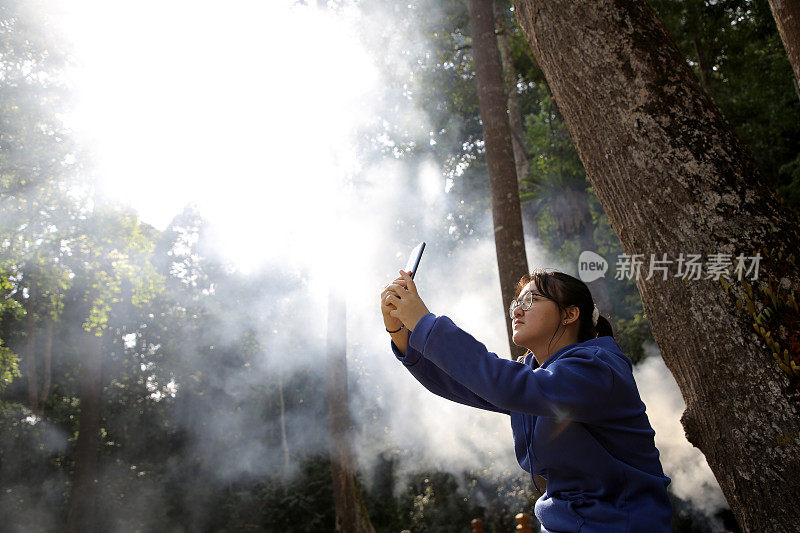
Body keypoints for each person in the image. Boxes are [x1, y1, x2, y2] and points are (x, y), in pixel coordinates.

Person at [380, 267, 673, 533]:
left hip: (620, 524)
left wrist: (425, 322)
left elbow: (502, 383)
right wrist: (401, 331)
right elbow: (463, 384)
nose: (517, 311)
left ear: (569, 314)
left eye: (531, 301)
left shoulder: (597, 368)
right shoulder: (536, 373)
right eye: (516, 304)